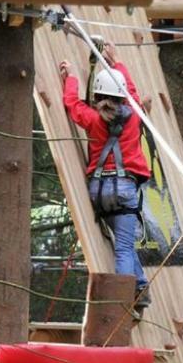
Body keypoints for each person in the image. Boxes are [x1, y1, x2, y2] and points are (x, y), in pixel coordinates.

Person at [60, 40, 151, 311]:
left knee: (123, 244)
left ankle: (140, 286)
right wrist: (116, 62)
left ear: (98, 95)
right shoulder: (134, 114)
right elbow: (132, 91)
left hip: (99, 190)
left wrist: (72, 78)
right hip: (124, 189)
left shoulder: (92, 119)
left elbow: (72, 104)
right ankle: (126, 301)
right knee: (124, 248)